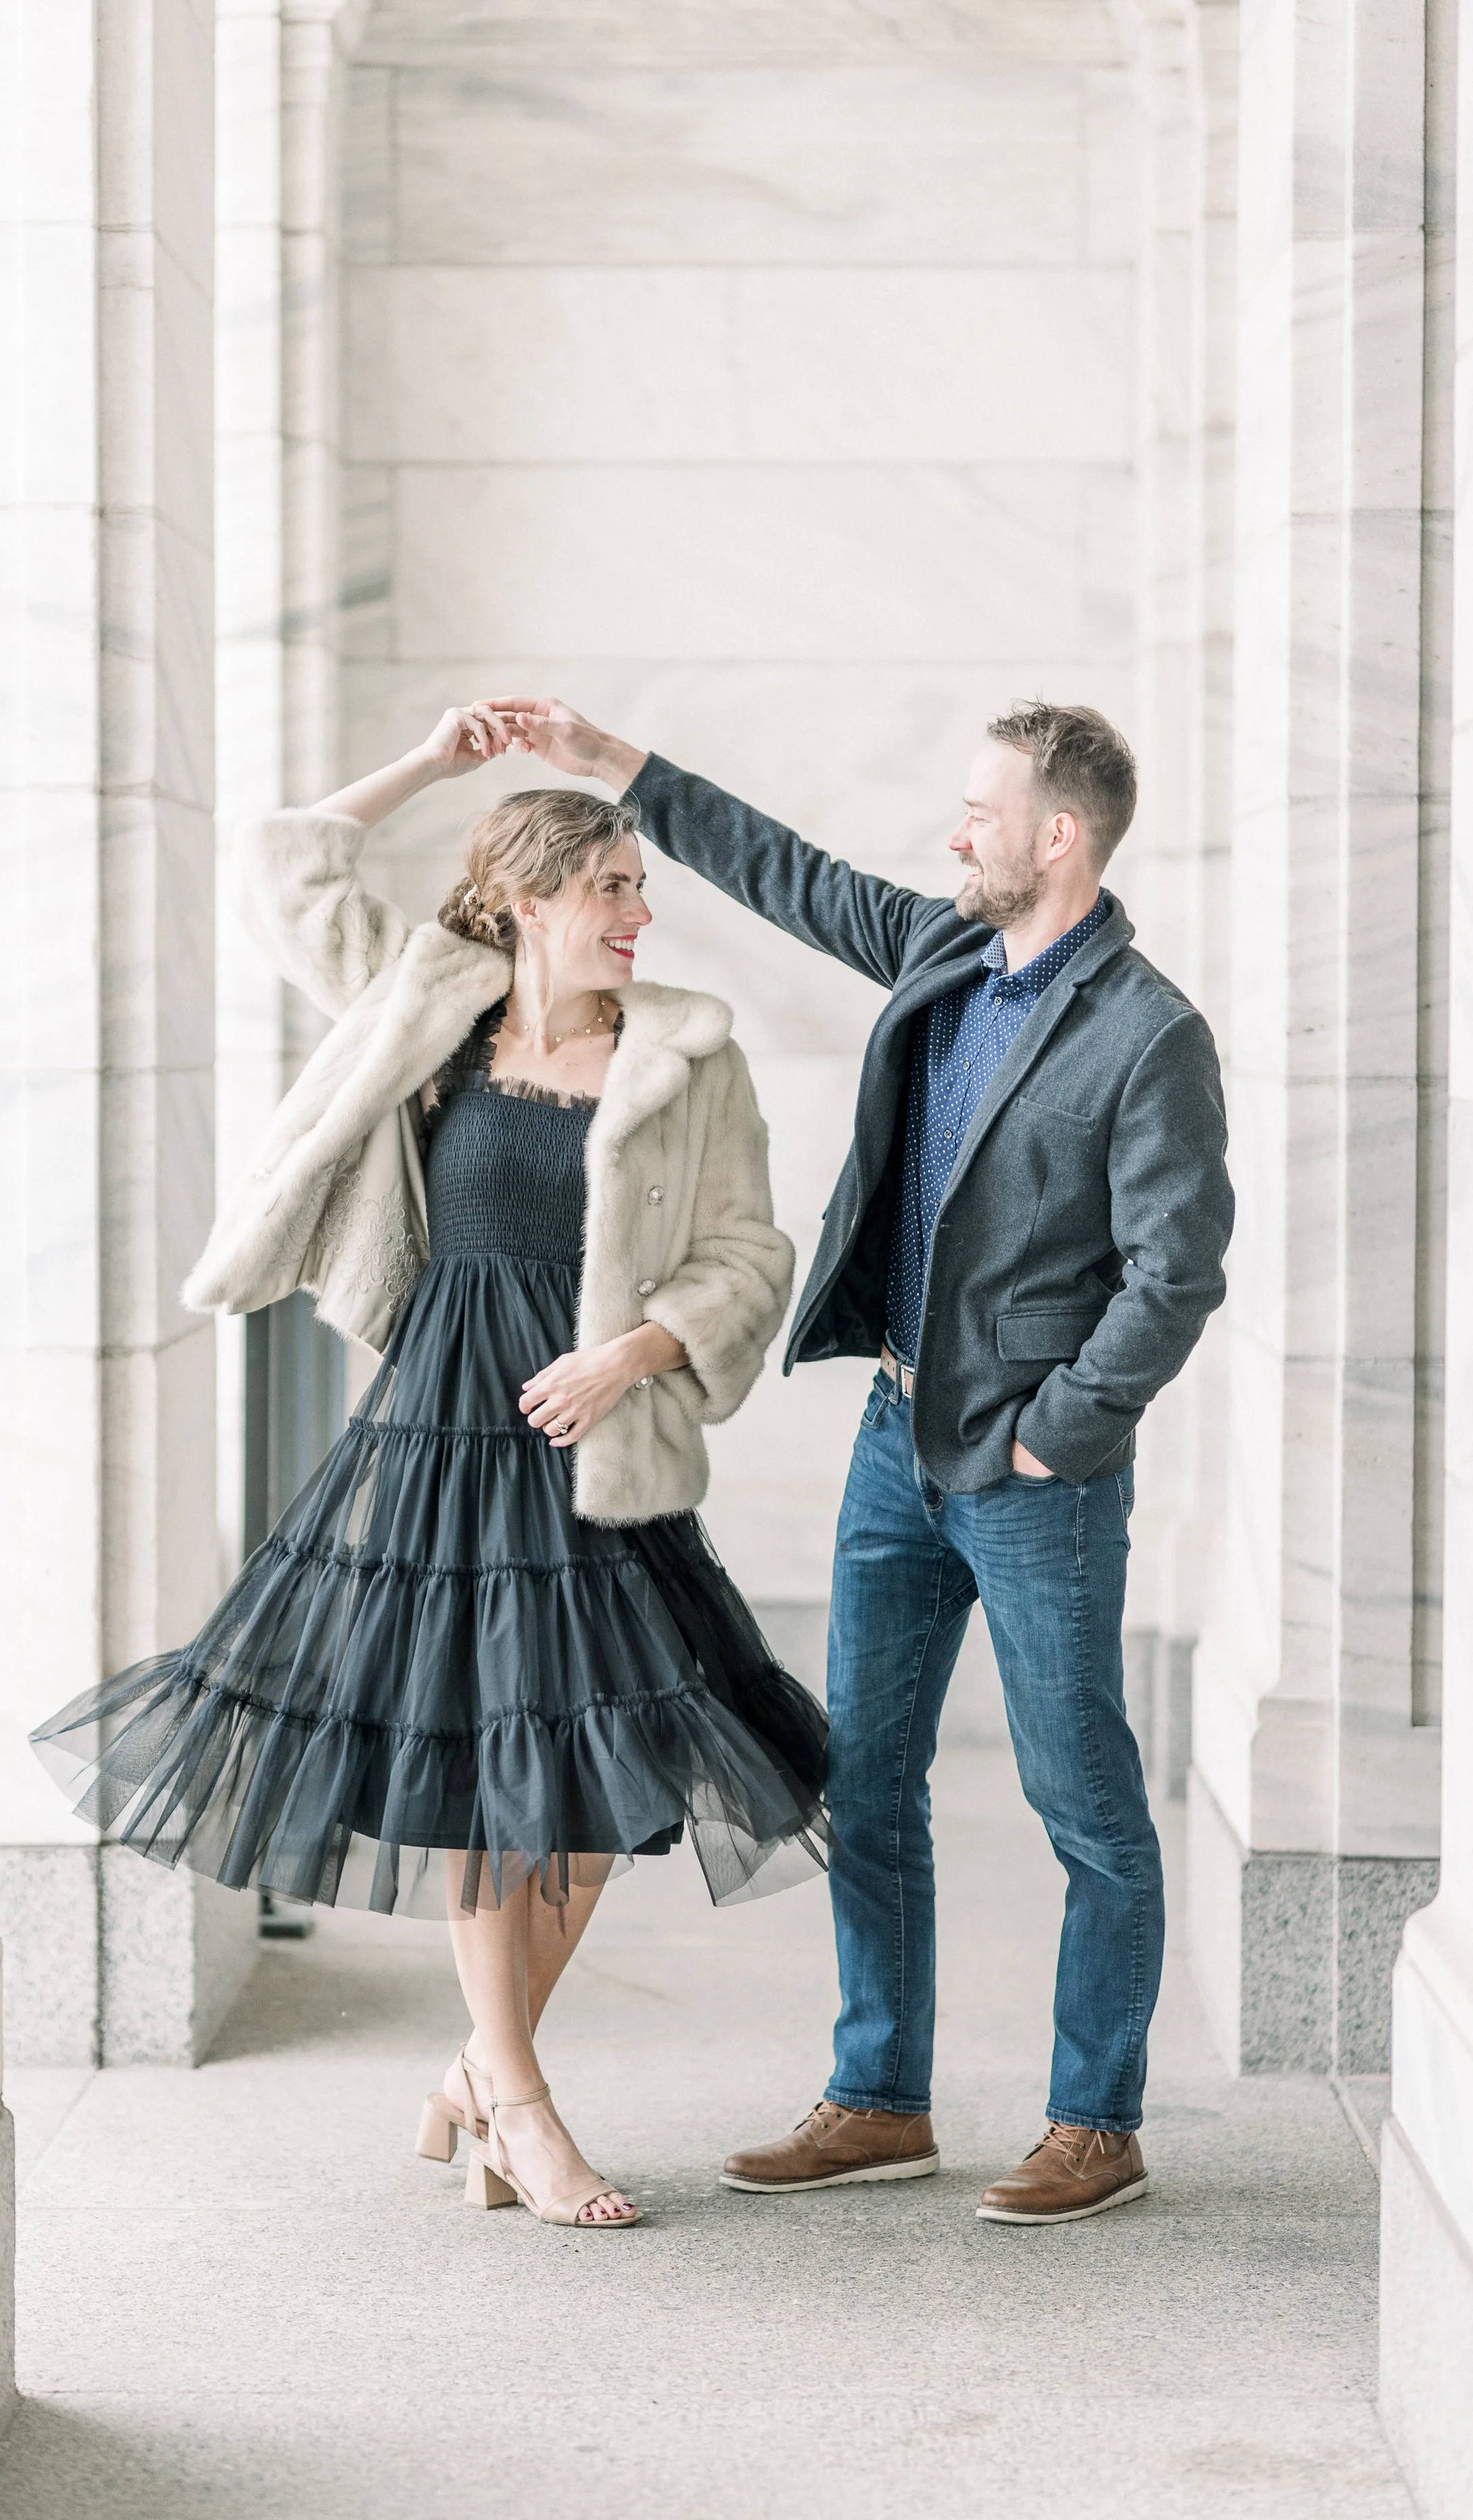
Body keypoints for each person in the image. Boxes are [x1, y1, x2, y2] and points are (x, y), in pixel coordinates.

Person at [30, 707, 828, 2233]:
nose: (636, 917)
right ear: (527, 899)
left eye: (640, 894)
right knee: (486, 1772)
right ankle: (521, 2109)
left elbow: (746, 1250)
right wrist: (429, 761)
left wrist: (633, 1355)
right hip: (445, 1421)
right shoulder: (430, 1007)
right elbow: (283, 866)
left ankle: (478, 2069)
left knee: (607, 1798)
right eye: (610, 889)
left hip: (592, 1427)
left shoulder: (682, 1052)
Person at [488, 693, 1233, 2226]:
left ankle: (1095, 2121)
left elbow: (1177, 1272)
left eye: (980, 811)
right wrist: (614, 765)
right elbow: (787, 872)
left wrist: (1054, 1435)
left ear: (1057, 835)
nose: (954, 833)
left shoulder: (1148, 1034)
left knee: (1078, 1798)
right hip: (896, 1438)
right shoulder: (948, 950)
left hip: (1032, 1479)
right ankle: (878, 2096)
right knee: (865, 1781)